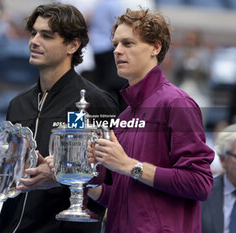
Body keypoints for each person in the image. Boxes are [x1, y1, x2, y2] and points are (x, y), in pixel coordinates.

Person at [0, 3, 119, 233]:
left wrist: (58, 175)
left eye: (46, 35)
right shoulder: (18, 104)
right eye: (33, 33)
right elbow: (14, 175)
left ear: (73, 45)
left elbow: (110, 180)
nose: (34, 41)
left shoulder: (95, 102)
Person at [86, 8, 214, 233]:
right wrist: (85, 183)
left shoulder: (177, 103)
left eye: (128, 43)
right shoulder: (125, 116)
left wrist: (129, 166)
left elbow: (199, 183)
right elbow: (128, 199)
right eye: (115, 44)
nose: (117, 51)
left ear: (155, 47)